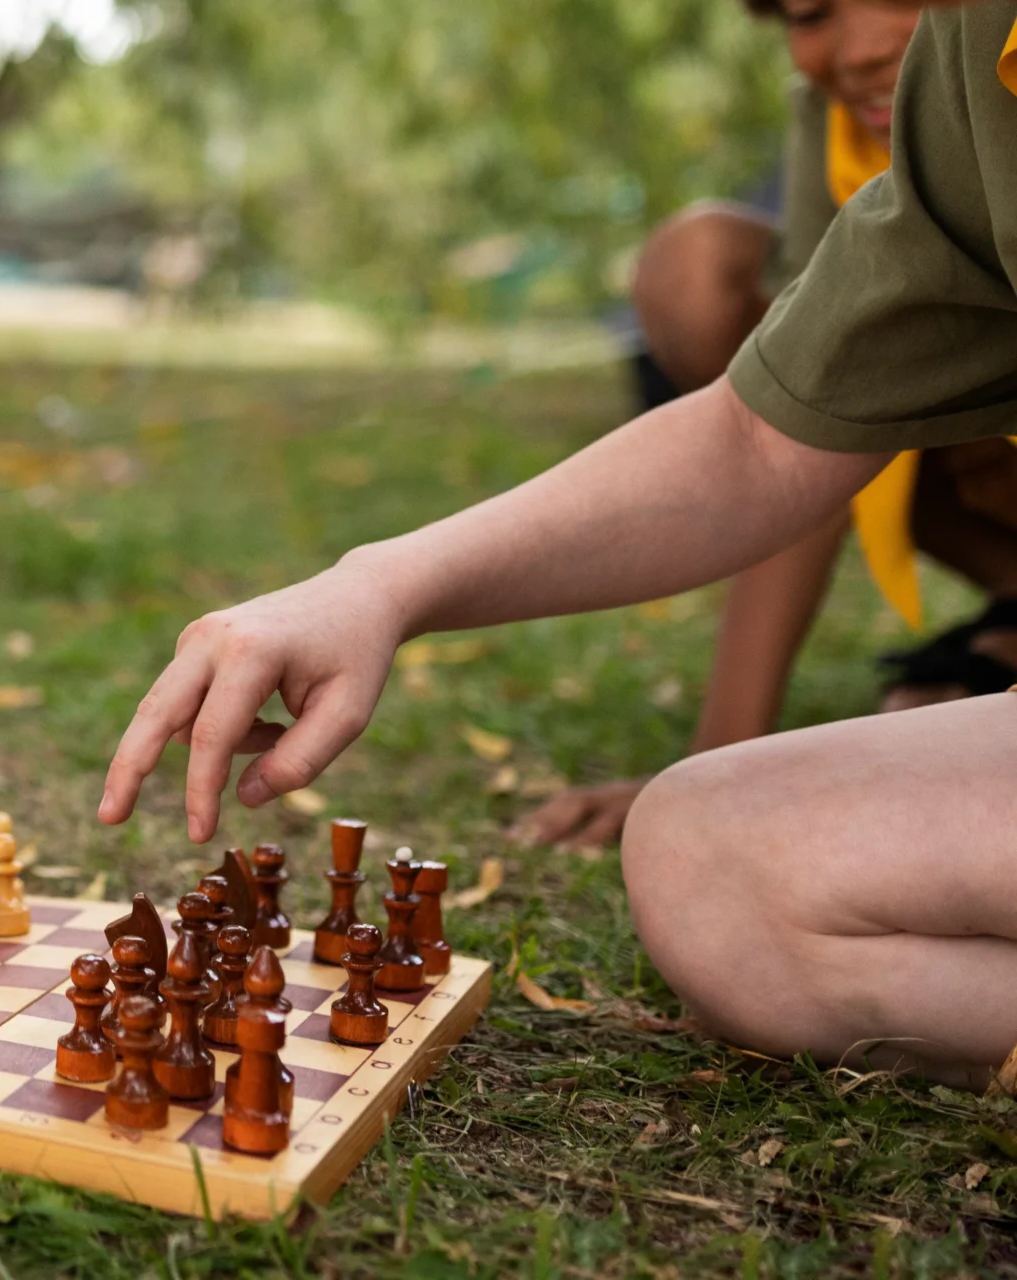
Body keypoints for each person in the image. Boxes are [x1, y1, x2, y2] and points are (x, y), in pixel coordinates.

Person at [102, 1, 1017, 1091]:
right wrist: (379, 583)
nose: (858, 40)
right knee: (705, 866)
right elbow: (763, 435)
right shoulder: (969, 56)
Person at [522, 0, 1017, 849]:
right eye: (809, 13)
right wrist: (713, 773)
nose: (858, 49)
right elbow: (809, 406)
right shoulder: (840, 121)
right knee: (707, 272)